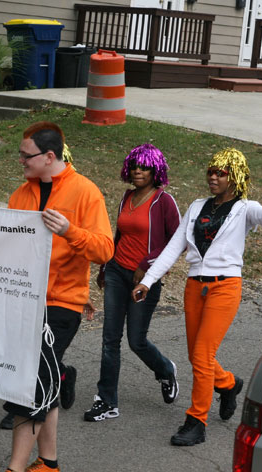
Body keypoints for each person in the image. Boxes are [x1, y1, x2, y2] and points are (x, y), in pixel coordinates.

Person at [132, 148, 262, 446]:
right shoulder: (198, 206)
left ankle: (196, 420)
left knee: (202, 355)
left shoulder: (243, 209)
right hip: (194, 286)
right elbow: (174, 247)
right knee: (197, 356)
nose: (213, 177)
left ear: (234, 177)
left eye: (220, 173)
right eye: (210, 171)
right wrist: (148, 280)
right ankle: (228, 384)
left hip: (225, 287)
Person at [0, 122, 114, 472]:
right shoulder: (20, 195)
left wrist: (71, 231)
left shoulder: (85, 191)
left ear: (49, 157)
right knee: (43, 380)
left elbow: (105, 250)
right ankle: (49, 464)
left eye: (26, 156)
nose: (20, 161)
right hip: (23, 300)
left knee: (29, 384)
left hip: (61, 304)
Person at [85, 144, 181, 423]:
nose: (139, 171)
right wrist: (105, 266)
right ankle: (106, 401)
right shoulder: (127, 196)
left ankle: (166, 370)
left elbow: (178, 242)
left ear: (156, 171)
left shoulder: (164, 201)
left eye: (145, 167)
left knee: (136, 341)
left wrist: (146, 266)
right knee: (109, 339)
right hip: (117, 272)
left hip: (145, 281)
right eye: (135, 166)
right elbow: (118, 235)